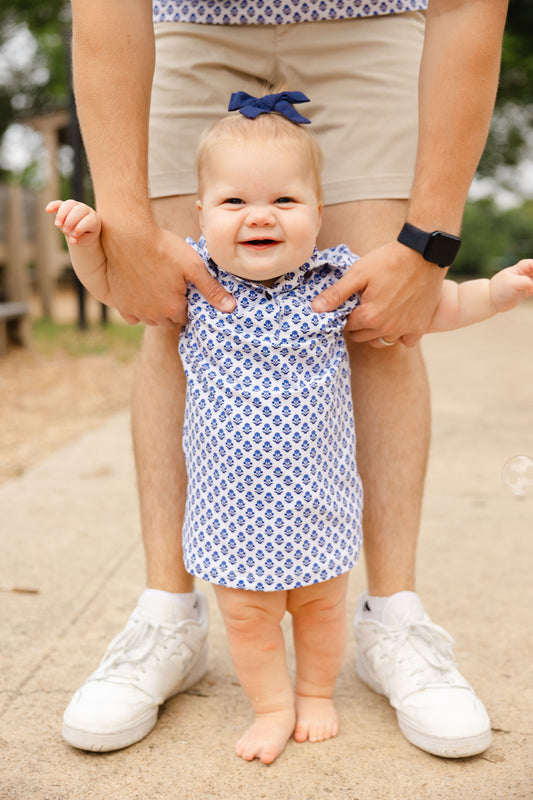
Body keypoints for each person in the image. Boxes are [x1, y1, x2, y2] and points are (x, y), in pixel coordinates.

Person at [62, 0, 509, 758]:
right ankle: (167, 616)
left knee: (382, 319)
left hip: (376, 17)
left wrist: (429, 248)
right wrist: (123, 224)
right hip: (181, 21)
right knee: (173, 309)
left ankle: (393, 619)